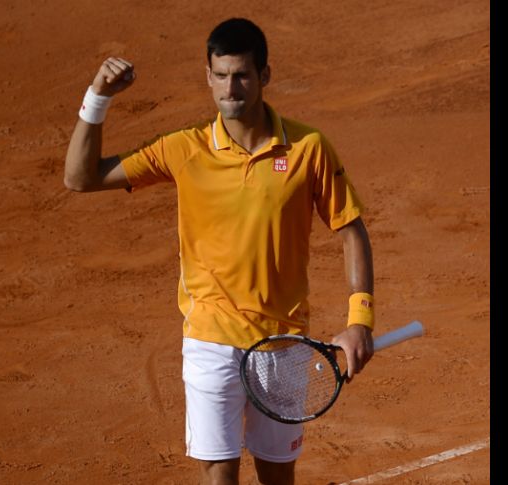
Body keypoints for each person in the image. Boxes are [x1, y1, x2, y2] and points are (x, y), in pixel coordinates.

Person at [63, 17, 375, 485]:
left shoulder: (309, 149)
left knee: (278, 478)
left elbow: (351, 230)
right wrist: (98, 96)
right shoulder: (183, 149)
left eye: (243, 75)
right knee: (219, 476)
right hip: (210, 339)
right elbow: (80, 178)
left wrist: (359, 321)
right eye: (222, 75)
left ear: (264, 76)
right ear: (208, 76)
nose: (232, 87)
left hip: (282, 340)